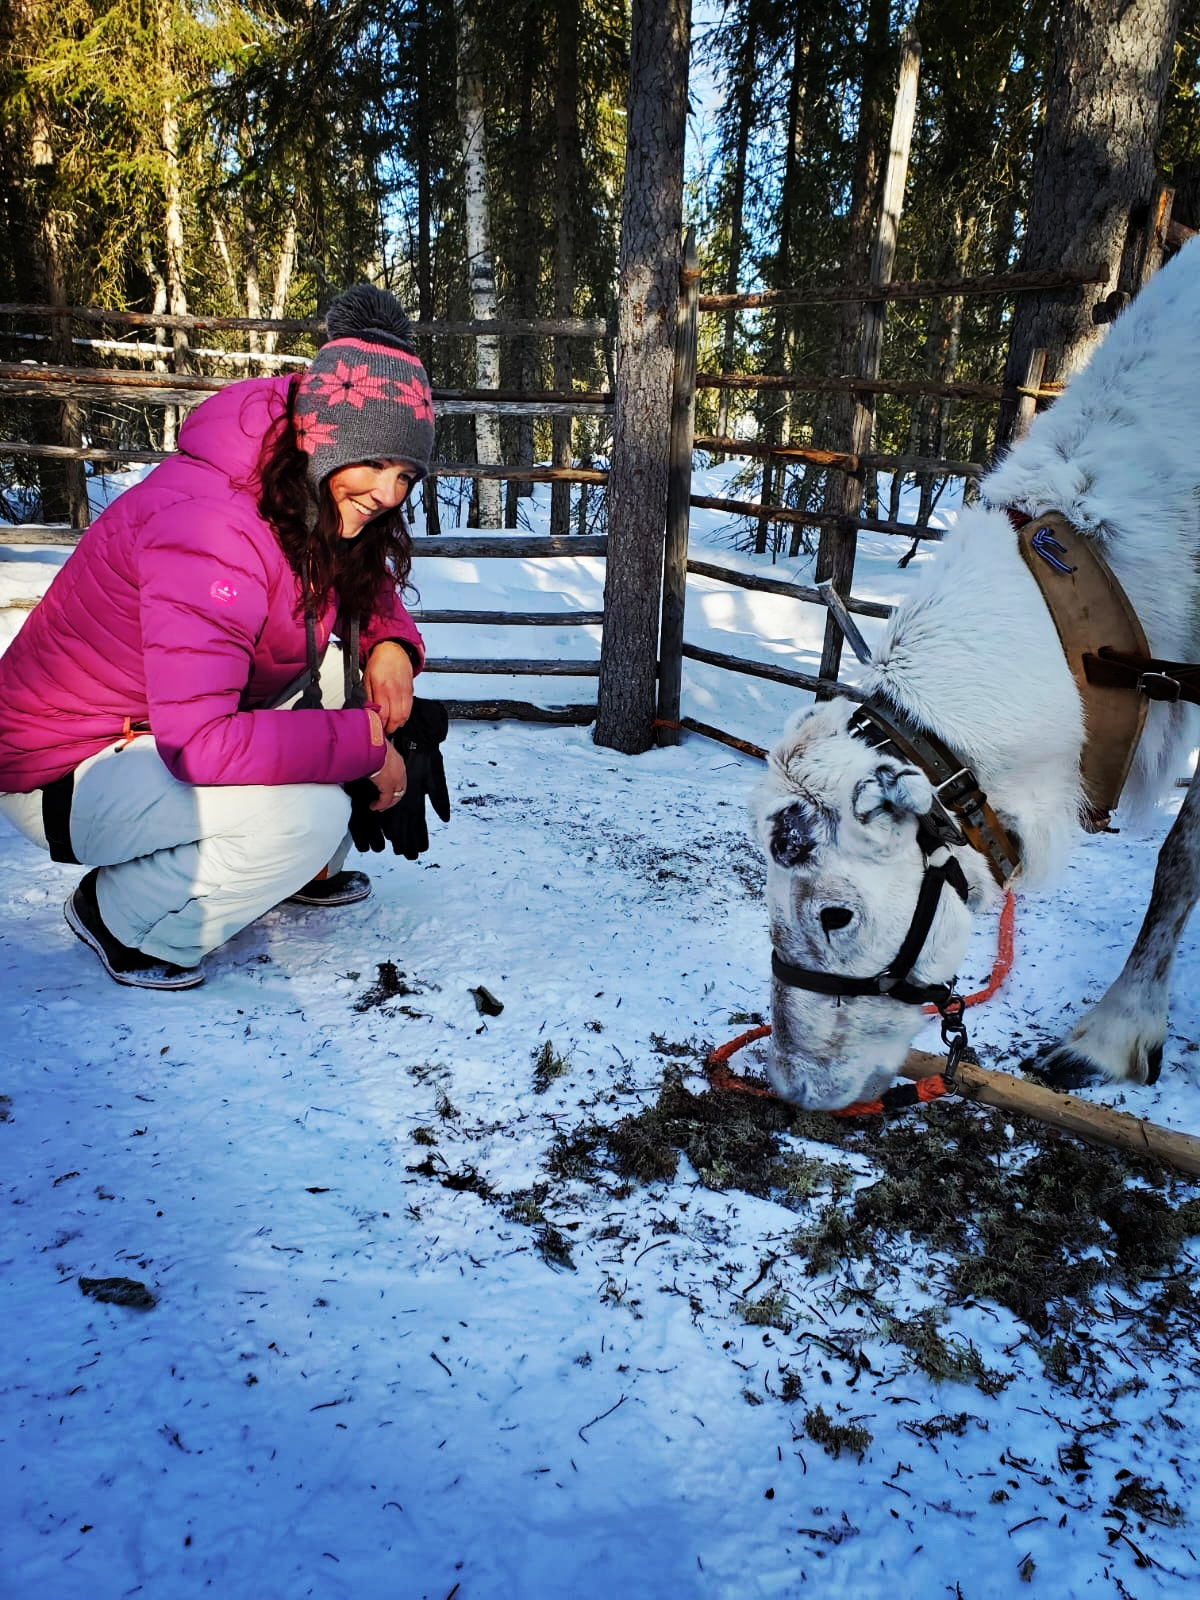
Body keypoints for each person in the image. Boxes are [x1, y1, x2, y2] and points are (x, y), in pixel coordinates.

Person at [0, 283, 446, 990]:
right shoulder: (211, 528)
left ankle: (292, 869)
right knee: (313, 806)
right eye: (374, 463)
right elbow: (201, 743)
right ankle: (123, 917)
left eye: (405, 475)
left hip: (153, 727)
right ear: (323, 440)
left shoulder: (297, 486)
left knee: (349, 686)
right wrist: (365, 747)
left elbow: (353, 573)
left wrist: (388, 644)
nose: (389, 494)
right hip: (65, 764)